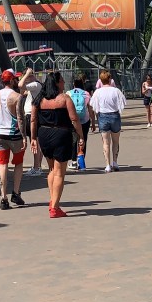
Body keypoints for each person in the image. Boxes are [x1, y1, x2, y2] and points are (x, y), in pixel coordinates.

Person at [30, 71, 84, 218]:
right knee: (60, 172)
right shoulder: (64, 98)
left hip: (44, 134)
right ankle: (55, 207)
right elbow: (74, 119)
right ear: (56, 83)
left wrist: (33, 138)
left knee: (52, 169)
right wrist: (81, 135)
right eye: (61, 81)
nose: (64, 83)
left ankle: (52, 199)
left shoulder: (39, 99)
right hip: (61, 134)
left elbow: (33, 120)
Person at [0, 68, 27, 209]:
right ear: (11, 80)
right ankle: (16, 192)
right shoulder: (17, 96)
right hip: (15, 135)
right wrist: (24, 136)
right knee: (18, 163)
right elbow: (20, 118)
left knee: (2, 164)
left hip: (0, 134)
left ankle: (3, 197)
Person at [90, 70, 127, 172]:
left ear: (101, 80)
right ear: (110, 79)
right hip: (114, 115)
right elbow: (123, 102)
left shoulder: (98, 92)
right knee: (116, 141)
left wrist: (97, 114)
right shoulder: (116, 91)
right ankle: (115, 162)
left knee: (106, 142)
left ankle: (107, 165)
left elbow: (93, 105)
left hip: (103, 116)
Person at [18, 66, 44, 176]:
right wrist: (26, 77)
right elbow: (21, 91)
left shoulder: (35, 85)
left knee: (34, 142)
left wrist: (27, 75)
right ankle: (37, 166)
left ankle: (36, 167)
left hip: (32, 115)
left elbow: (20, 85)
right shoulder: (33, 86)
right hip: (31, 115)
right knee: (35, 142)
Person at [66, 77, 91, 170]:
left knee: (74, 140)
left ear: (74, 84)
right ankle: (81, 161)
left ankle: (73, 162)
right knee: (83, 139)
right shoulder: (86, 94)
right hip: (85, 120)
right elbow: (90, 109)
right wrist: (92, 121)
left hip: (72, 120)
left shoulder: (68, 93)